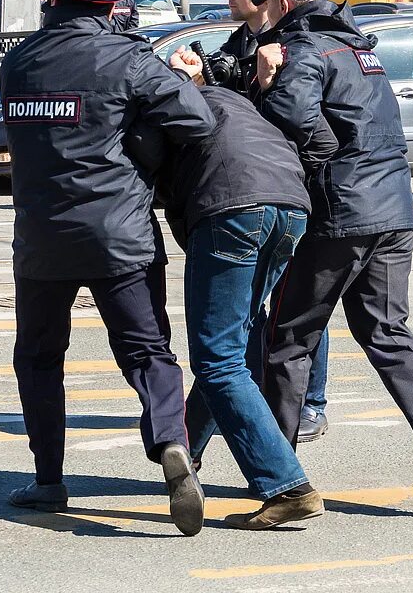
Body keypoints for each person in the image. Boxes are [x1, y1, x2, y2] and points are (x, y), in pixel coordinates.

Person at [0, 0, 215, 536]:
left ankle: (48, 479)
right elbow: (197, 121)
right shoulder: (130, 60)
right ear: (114, 3)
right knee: (147, 351)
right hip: (120, 233)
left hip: (41, 237)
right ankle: (171, 444)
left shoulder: (19, 61)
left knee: (40, 359)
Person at [251, 0, 413, 516]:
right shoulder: (360, 49)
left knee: (289, 337)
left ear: (281, 4)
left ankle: (279, 474)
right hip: (396, 209)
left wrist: (264, 84)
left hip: (342, 213)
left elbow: (287, 115)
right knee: (386, 331)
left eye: (265, 3)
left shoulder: (304, 50)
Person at [149, 68, 324, 529]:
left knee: (217, 359)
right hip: (291, 207)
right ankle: (185, 450)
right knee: (232, 347)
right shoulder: (230, 100)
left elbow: (151, 179)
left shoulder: (165, 112)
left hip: (233, 209)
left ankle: (286, 485)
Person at [170, 0, 331, 442]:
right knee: (252, 311)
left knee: (295, 307)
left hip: (294, 191)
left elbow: (300, 123)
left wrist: (257, 86)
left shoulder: (298, 45)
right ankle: (239, 402)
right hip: (264, 186)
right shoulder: (243, 41)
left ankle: (309, 404)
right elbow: (231, 89)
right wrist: (202, 77)